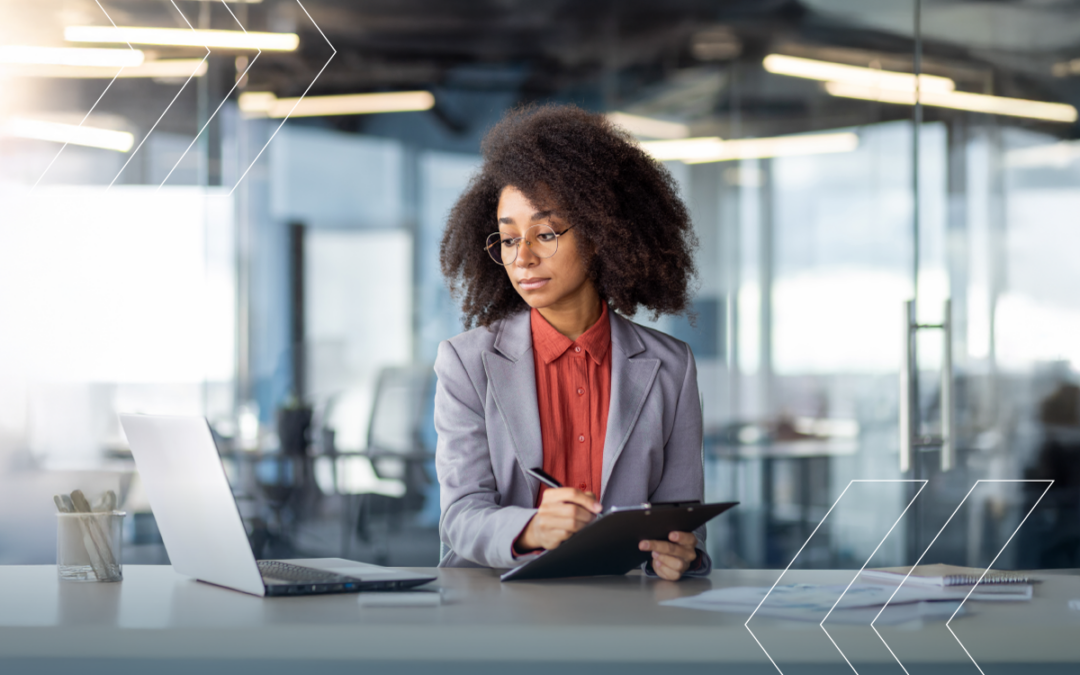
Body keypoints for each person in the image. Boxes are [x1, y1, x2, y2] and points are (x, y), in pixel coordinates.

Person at [434, 104, 708, 580]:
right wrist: (533, 528)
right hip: (494, 608)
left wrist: (684, 555)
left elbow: (681, 519)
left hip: (624, 612)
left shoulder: (670, 366)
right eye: (508, 239)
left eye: (545, 233)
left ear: (600, 234)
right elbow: (460, 517)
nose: (524, 257)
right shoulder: (466, 362)